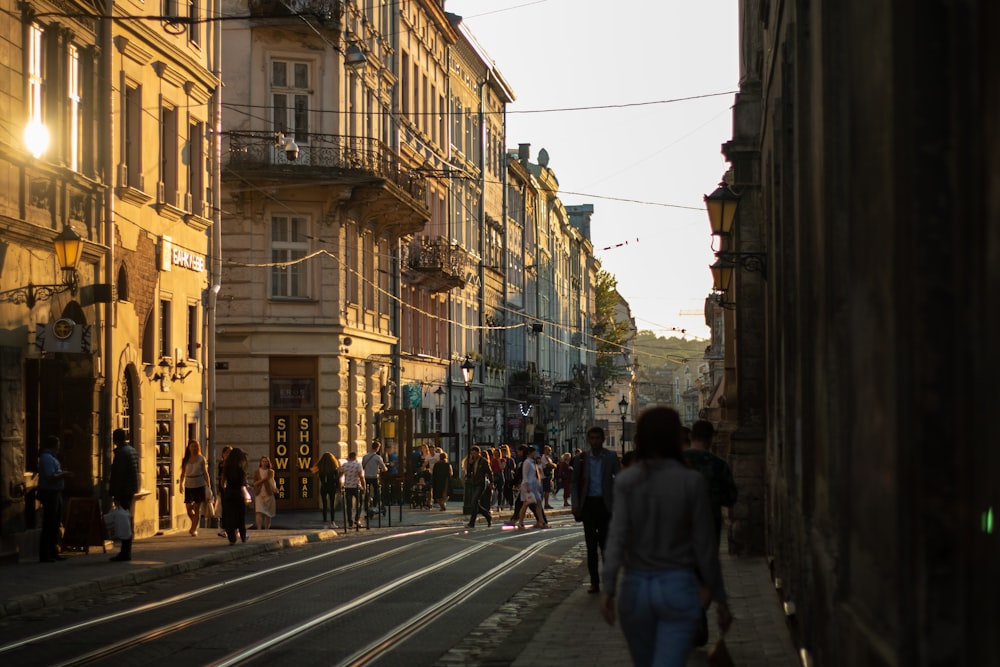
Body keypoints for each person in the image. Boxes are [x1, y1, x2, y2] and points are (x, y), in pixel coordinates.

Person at [600, 406, 732, 666]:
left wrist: (608, 589)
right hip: (678, 586)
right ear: (675, 437)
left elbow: (616, 538)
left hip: (635, 589)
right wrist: (720, 599)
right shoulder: (691, 481)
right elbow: (705, 548)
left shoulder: (627, 480)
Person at [571, 426, 622, 593]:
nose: (595, 441)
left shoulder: (611, 457)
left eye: (597, 438)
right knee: (591, 546)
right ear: (588, 440)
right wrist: (576, 505)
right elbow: (574, 483)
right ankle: (594, 582)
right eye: (592, 438)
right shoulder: (580, 459)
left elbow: (619, 481)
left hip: (605, 505)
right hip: (589, 506)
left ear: (603, 439)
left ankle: (609, 582)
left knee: (606, 546)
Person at [684, 420, 738, 549]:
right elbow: (730, 499)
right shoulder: (719, 465)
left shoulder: (674, 461)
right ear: (711, 438)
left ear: (690, 436)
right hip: (709, 525)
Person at [38, 435, 72, 562]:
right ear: (53, 445)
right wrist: (64, 474)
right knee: (49, 524)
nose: (59, 447)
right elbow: (50, 477)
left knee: (55, 523)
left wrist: (62, 473)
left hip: (56, 493)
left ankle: (53, 551)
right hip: (49, 493)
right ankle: (45, 554)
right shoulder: (46, 458)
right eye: (57, 445)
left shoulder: (52, 457)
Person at [108, 428, 139, 562]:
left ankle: (125, 552)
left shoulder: (121, 453)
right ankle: (126, 551)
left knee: (124, 521)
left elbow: (119, 476)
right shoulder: (132, 450)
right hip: (130, 489)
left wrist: (115, 494)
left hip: (124, 491)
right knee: (126, 519)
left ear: (115, 439)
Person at [178, 439, 211, 536]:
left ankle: (193, 529)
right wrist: (180, 485)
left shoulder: (201, 459)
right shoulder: (185, 459)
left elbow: (205, 472)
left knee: (197, 508)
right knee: (188, 508)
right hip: (189, 484)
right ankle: (194, 524)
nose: (194, 448)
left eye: (195, 446)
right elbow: (182, 474)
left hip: (199, 484)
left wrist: (208, 485)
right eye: (192, 446)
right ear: (189, 447)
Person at [220, 447, 249, 544]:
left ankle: (232, 538)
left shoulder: (226, 466)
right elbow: (243, 483)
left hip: (229, 492)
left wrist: (225, 490)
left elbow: (222, 482)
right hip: (238, 493)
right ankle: (243, 535)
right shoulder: (241, 468)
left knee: (229, 516)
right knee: (240, 516)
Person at [515, 445, 548, 529]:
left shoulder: (533, 462)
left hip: (534, 485)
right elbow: (525, 475)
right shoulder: (526, 462)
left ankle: (542, 522)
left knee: (538, 503)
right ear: (529, 453)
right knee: (525, 504)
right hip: (528, 485)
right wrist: (527, 487)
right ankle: (520, 523)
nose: (535, 454)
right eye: (533, 452)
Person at [463, 446, 492, 528]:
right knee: (475, 503)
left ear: (478, 452)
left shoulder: (483, 461)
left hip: (481, 483)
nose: (473, 455)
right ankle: (487, 516)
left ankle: (472, 522)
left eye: (474, 453)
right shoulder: (472, 461)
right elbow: (469, 472)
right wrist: (470, 463)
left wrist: (492, 482)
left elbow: (489, 472)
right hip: (474, 483)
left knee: (474, 501)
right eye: (472, 453)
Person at [362, 441, 388, 520]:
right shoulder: (377, 457)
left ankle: (366, 507)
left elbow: (362, 466)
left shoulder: (365, 456)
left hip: (366, 477)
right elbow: (384, 468)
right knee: (377, 491)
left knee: (367, 492)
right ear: (377, 448)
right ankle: (374, 505)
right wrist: (384, 469)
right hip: (374, 477)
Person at [315, 452, 340, 529]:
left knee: (324, 505)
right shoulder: (334, 468)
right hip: (332, 487)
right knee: (332, 505)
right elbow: (337, 479)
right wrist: (338, 488)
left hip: (324, 487)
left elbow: (318, 476)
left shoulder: (320, 467)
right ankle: (332, 522)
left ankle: (324, 523)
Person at [341, 451, 365, 528]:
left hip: (347, 487)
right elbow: (361, 477)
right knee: (359, 504)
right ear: (355, 457)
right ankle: (356, 519)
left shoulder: (344, 465)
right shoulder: (358, 465)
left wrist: (341, 486)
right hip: (356, 487)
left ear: (349, 457)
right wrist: (363, 487)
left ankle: (350, 522)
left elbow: (340, 476)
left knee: (349, 505)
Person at [253, 456, 277, 529]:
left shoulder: (271, 472)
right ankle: (259, 529)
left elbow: (272, 480)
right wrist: (262, 480)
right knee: (258, 511)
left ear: (268, 462)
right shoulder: (257, 472)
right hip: (259, 493)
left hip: (268, 493)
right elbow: (254, 483)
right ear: (260, 462)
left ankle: (267, 529)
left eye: (266, 461)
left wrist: (274, 488)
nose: (264, 463)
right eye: (263, 461)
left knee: (268, 513)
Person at [215, 445, 232, 537]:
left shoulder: (234, 464)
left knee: (232, 509)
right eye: (226, 452)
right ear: (223, 454)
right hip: (224, 489)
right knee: (224, 509)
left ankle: (233, 528)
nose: (228, 454)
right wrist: (220, 489)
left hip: (232, 488)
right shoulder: (221, 464)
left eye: (229, 452)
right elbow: (219, 477)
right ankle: (224, 528)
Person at [540, 445, 557, 509]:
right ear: (545, 450)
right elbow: (549, 465)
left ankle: (547, 503)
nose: (550, 451)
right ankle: (546, 504)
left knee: (548, 490)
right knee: (546, 490)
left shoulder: (548, 457)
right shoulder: (544, 457)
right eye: (548, 450)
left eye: (550, 450)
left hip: (549, 475)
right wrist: (554, 465)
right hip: (545, 476)